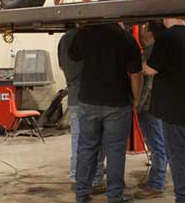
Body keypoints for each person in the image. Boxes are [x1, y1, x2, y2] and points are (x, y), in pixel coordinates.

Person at [70, 22, 143, 203]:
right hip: (117, 103)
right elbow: (136, 74)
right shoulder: (126, 38)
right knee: (115, 151)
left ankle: (81, 194)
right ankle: (115, 197)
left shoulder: (87, 33)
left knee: (86, 148)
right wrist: (136, 99)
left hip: (88, 100)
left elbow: (73, 55)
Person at [144, 18, 185, 203]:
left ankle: (184, 198)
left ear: (167, 17)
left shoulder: (166, 38)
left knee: (179, 156)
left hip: (175, 108)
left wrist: (147, 53)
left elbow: (150, 70)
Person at [57, 28, 106, 194]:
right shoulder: (88, 38)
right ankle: (95, 179)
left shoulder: (63, 40)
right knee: (95, 141)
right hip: (90, 97)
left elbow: (62, 66)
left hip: (74, 97)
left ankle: (77, 176)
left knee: (78, 140)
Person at [134, 21, 168, 199]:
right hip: (159, 105)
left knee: (157, 145)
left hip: (150, 107)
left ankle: (156, 184)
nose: (140, 32)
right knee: (158, 144)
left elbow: (147, 84)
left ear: (151, 33)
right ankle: (156, 179)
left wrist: (138, 104)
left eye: (143, 29)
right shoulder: (161, 49)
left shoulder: (150, 52)